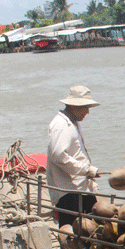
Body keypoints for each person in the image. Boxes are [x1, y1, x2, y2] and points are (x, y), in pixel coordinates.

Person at [47, 85, 101, 227]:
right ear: (73, 107)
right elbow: (58, 156)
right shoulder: (61, 125)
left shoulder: (72, 123)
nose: (87, 112)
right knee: (73, 231)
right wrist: (87, 170)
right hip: (68, 192)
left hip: (80, 187)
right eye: (84, 107)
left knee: (91, 225)